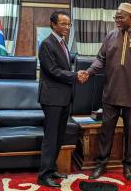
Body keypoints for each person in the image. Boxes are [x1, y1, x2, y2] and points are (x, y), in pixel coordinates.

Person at [80, 2, 131, 180]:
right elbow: (100, 60)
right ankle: (101, 165)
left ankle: (128, 166)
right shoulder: (110, 36)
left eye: (120, 17)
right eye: (115, 17)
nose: (117, 20)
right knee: (106, 132)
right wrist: (88, 73)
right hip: (111, 93)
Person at [37, 11, 84, 188]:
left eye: (69, 24)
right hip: (52, 98)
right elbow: (52, 70)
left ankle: (51, 169)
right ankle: (43, 175)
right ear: (53, 24)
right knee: (51, 137)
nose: (67, 27)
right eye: (63, 23)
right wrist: (75, 75)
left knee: (59, 136)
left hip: (63, 97)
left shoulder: (62, 42)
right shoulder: (47, 44)